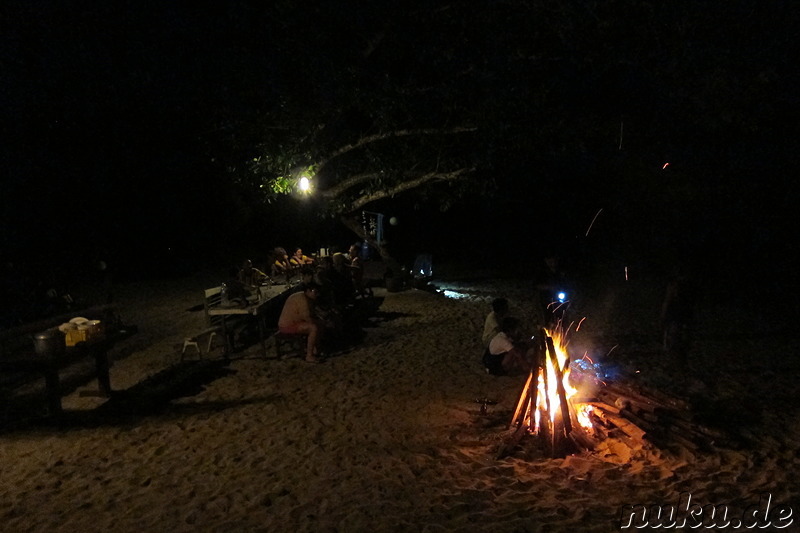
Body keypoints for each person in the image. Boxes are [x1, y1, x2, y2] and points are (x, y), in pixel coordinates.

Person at [277, 281, 325, 363]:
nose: (316, 294)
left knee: (318, 324)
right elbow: (306, 317)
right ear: (308, 291)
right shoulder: (301, 299)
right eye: (314, 292)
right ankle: (309, 355)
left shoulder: (305, 297)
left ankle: (315, 348)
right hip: (288, 325)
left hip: (294, 322)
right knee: (313, 328)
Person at [535, 253, 571, 329]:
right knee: (549, 321)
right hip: (547, 301)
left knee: (562, 320)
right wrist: (549, 287)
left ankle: (562, 336)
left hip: (560, 300)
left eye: (553, 260)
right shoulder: (542, 273)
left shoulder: (560, 272)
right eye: (549, 260)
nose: (551, 262)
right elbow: (537, 285)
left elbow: (567, 284)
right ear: (546, 261)